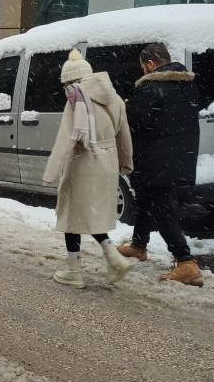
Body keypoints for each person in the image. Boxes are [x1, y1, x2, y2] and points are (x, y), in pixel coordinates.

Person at [42, 49, 134, 288]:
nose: (65, 90)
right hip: (108, 162)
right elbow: (124, 135)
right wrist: (126, 163)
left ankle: (74, 271)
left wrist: (51, 172)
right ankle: (113, 258)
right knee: (93, 214)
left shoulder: (76, 100)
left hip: (83, 162)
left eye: (65, 85)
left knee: (72, 216)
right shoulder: (114, 98)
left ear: (70, 81)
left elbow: (65, 140)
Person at [118, 42, 203, 286]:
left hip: (155, 160)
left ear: (151, 64)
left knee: (162, 209)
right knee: (145, 201)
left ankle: (186, 262)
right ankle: (138, 245)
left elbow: (134, 123)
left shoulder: (151, 88)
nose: (143, 71)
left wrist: (126, 107)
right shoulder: (188, 86)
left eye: (143, 66)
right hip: (180, 157)